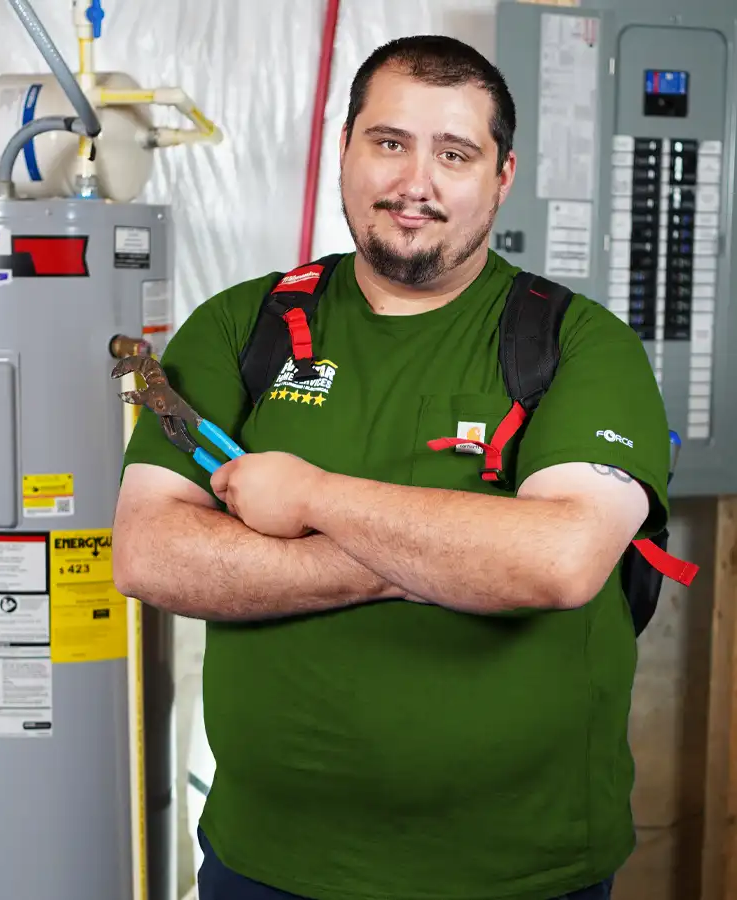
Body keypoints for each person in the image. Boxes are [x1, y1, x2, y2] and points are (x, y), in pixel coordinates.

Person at [112, 34, 670, 900]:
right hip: (265, 865)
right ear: (344, 150)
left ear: (502, 176)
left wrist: (312, 496)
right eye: (389, 142)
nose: (416, 182)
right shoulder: (239, 325)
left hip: (521, 873)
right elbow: (150, 554)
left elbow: (556, 562)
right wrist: (438, 557)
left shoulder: (577, 344)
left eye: (455, 153)